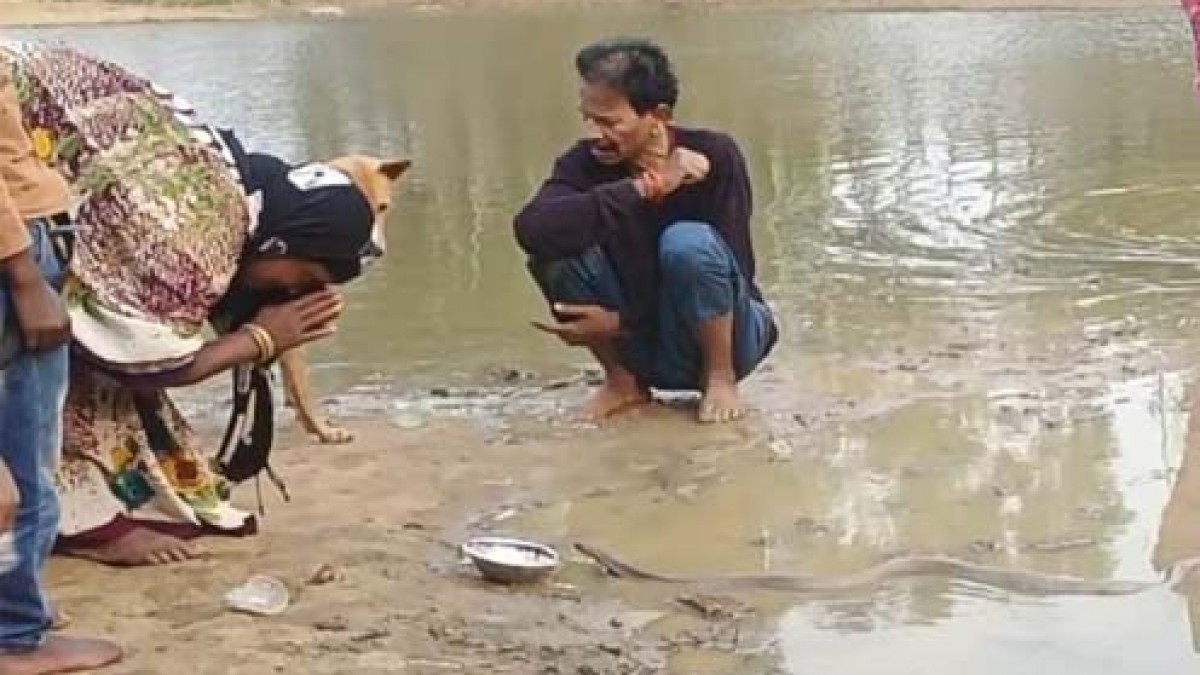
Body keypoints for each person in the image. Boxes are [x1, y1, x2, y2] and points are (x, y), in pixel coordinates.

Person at [2, 42, 375, 567]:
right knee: (49, 351)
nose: (295, 292)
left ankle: (83, 506)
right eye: (305, 278)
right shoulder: (196, 238)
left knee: (86, 330)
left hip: (16, 144)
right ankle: (75, 520)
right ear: (279, 244)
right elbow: (148, 366)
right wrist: (260, 338)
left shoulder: (227, 176)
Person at [514, 38, 777, 423]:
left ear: (658, 116)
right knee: (554, 246)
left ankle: (720, 378)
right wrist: (643, 188)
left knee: (688, 243)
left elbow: (736, 270)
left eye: (609, 122)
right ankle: (623, 382)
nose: (594, 134)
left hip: (731, 335)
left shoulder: (716, 154)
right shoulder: (582, 164)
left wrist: (620, 323)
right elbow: (531, 228)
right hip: (643, 343)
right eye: (588, 119)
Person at [0, 54, 121, 674]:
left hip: (22, 243)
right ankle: (14, 637)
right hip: (13, 256)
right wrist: (24, 277)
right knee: (24, 474)